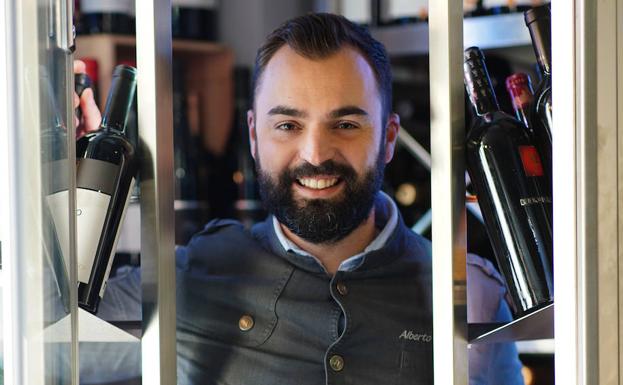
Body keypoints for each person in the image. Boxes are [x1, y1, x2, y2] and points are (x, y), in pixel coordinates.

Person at [76, 13, 523, 385]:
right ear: (254, 136)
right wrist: (59, 170)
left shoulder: (471, 294)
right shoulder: (188, 278)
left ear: (388, 139)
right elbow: (40, 342)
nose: (315, 154)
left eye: (346, 125)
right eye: (288, 125)